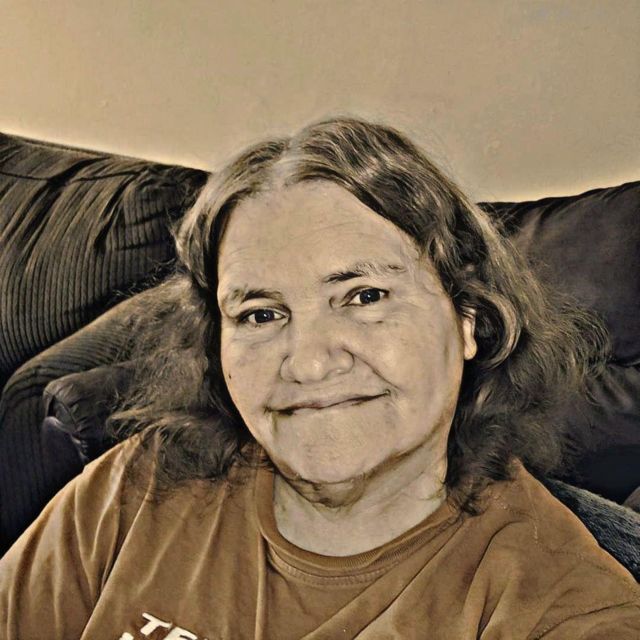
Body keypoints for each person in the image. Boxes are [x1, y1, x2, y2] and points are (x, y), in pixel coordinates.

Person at [0, 117, 638, 639]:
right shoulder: (137, 485)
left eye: (364, 297)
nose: (307, 362)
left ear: (469, 318)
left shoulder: (558, 609)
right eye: (261, 313)